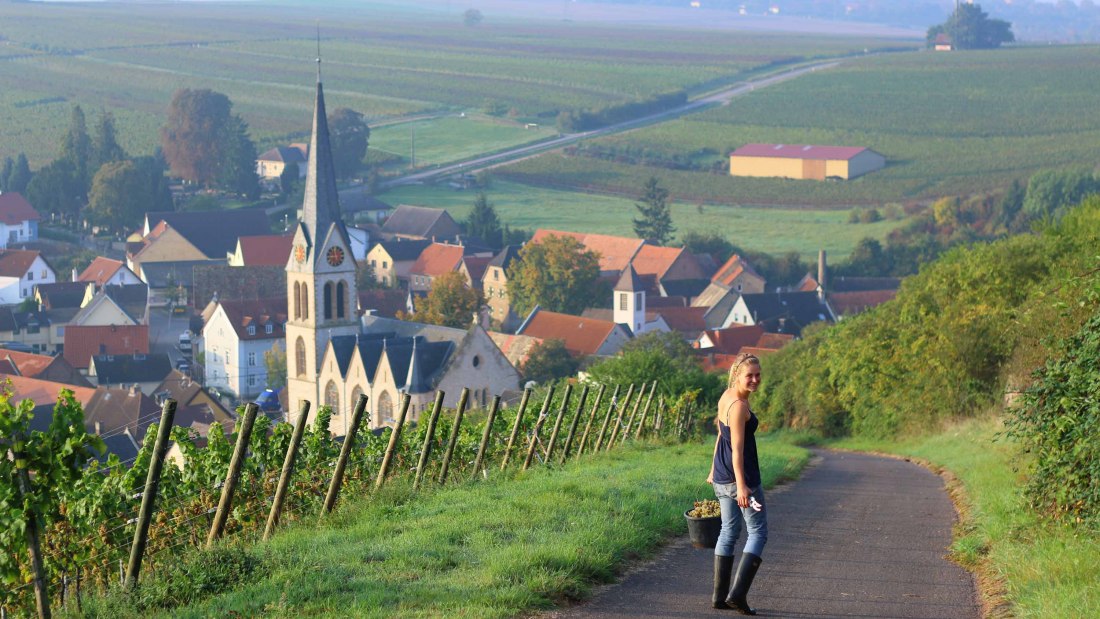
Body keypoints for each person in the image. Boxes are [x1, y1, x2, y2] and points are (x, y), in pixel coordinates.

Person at [707, 352, 767, 614]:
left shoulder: (726, 395)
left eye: (757, 374)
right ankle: (737, 596)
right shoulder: (740, 406)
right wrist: (743, 486)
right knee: (758, 532)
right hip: (742, 481)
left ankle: (719, 598)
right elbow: (737, 450)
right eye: (749, 375)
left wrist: (712, 470)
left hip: (722, 477)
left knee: (729, 532)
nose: (754, 379)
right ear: (737, 375)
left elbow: (721, 436)